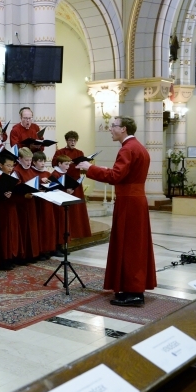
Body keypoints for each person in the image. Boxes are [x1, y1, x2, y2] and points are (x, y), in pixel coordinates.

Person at [76, 116, 156, 307]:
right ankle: (132, 288)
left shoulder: (127, 149)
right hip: (136, 200)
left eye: (114, 126)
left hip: (129, 203)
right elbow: (124, 175)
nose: (110, 129)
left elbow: (116, 176)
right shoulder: (138, 147)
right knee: (134, 245)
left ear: (124, 129)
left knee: (129, 246)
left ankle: (134, 292)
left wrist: (90, 168)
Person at [53, 131, 93, 239]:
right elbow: (54, 164)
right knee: (67, 209)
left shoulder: (79, 152)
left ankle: (78, 232)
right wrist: (66, 163)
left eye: (75, 140)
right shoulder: (60, 152)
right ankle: (67, 232)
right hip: (64, 181)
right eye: (71, 140)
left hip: (76, 182)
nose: (73, 142)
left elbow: (82, 166)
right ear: (66, 140)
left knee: (77, 209)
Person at [13, 147, 40, 263]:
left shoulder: (32, 171)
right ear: (19, 159)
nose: (29, 163)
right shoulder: (16, 171)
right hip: (21, 204)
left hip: (31, 202)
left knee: (32, 228)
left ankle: (32, 253)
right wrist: (24, 195)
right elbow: (15, 189)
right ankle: (23, 255)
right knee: (23, 228)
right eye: (26, 160)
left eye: (30, 160)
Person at [32, 151, 57, 259]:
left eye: (44, 161)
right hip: (38, 203)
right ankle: (40, 250)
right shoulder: (32, 173)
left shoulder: (47, 173)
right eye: (40, 161)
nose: (43, 163)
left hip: (48, 203)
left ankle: (49, 248)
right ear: (34, 162)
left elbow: (54, 185)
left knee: (48, 225)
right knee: (40, 226)